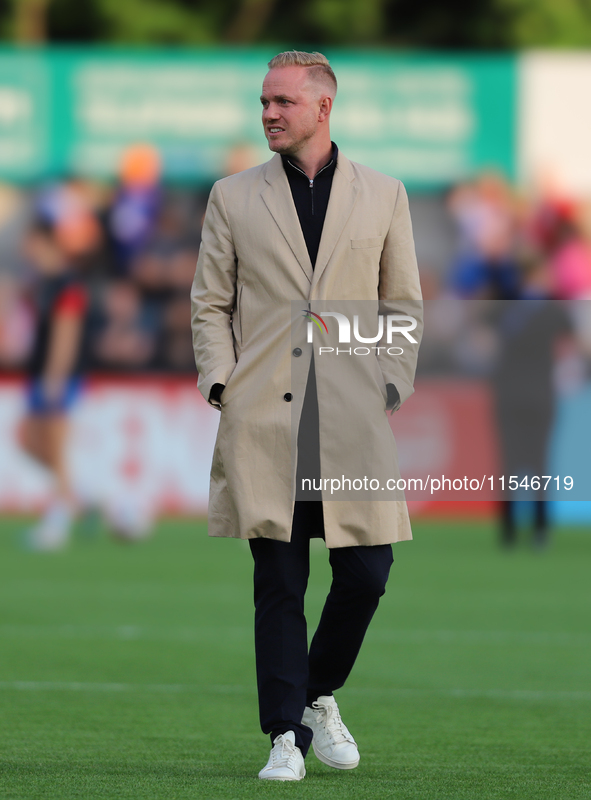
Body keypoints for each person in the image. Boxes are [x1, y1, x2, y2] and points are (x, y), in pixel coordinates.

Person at [191, 51, 423, 781]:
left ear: (322, 108)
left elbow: (402, 305)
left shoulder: (384, 194)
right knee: (280, 582)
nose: (268, 113)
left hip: (353, 417)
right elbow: (210, 303)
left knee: (366, 574)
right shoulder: (231, 196)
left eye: (283, 101)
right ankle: (283, 738)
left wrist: (387, 383)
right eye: (263, 101)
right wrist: (223, 384)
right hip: (265, 417)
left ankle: (317, 694)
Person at [19, 218, 90, 550]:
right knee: (29, 440)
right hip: (40, 374)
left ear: (42, 241)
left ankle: (58, 522)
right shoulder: (43, 283)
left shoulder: (66, 284)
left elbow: (66, 334)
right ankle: (75, 498)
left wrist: (54, 379)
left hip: (56, 376)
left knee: (53, 444)